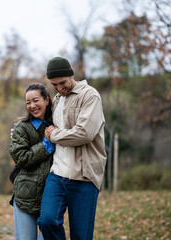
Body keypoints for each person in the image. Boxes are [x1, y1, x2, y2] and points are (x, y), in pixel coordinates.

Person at [37, 57, 107, 240]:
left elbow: (84, 133)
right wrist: (20, 133)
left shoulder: (90, 96)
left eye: (62, 83)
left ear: (71, 75)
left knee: (81, 236)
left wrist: (54, 135)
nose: (59, 88)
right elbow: (43, 124)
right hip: (57, 174)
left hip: (83, 175)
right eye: (54, 85)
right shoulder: (58, 99)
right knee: (46, 221)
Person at [9, 83, 55, 240]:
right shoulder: (22, 128)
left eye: (36, 100)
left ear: (47, 100)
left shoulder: (59, 125)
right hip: (25, 196)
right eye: (28, 102)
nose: (32, 106)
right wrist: (46, 145)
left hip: (51, 197)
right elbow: (21, 158)